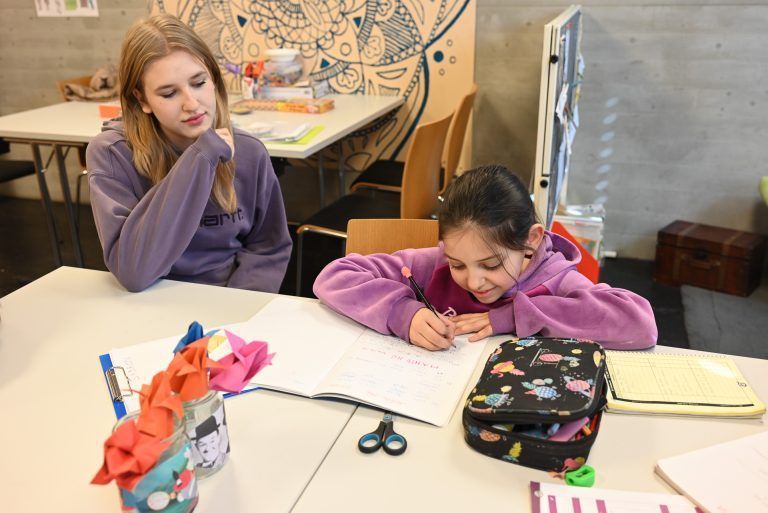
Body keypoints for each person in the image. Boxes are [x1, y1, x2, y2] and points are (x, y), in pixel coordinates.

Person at [313, 164, 657, 351]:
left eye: (491, 265)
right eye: (458, 264)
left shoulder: (556, 279)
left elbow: (640, 324)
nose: (474, 281)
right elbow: (334, 275)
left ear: (530, 241)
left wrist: (515, 316)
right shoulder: (433, 264)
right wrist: (402, 313)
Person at [86, 14, 292, 292]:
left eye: (199, 83)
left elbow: (268, 248)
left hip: (231, 298)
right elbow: (134, 272)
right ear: (142, 99)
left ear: (214, 78)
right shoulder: (112, 154)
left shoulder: (249, 151)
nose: (192, 104)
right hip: (149, 299)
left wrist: (238, 306)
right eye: (169, 94)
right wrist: (201, 157)